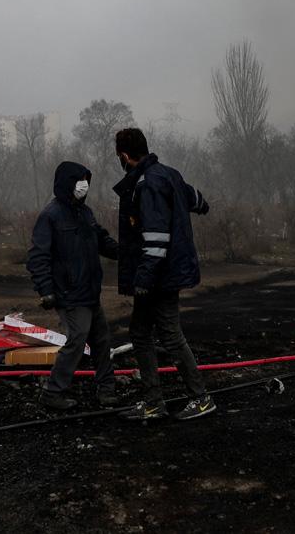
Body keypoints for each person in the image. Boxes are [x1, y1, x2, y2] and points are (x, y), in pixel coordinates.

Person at [112, 128, 215, 421]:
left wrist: (143, 279)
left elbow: (156, 238)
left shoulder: (147, 184)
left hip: (160, 274)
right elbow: (197, 200)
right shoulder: (169, 174)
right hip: (166, 270)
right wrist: (196, 206)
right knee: (140, 332)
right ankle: (153, 402)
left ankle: (201, 398)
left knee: (169, 334)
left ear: (124, 155)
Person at [26, 161, 120, 411]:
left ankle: (107, 389)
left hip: (90, 291)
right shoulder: (50, 216)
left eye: (86, 180)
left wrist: (124, 252)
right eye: (80, 180)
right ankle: (53, 392)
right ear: (67, 184)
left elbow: (101, 239)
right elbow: (38, 256)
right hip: (69, 293)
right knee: (77, 340)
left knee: (101, 340)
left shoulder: (85, 213)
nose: (84, 185)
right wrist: (45, 290)